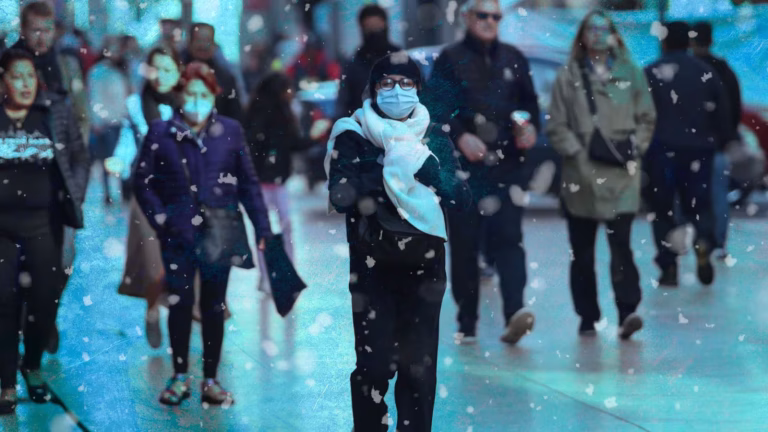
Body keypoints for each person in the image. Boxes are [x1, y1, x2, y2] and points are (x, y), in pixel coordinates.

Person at [326, 52, 471, 432]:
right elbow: (341, 195)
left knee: (418, 369)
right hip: (373, 267)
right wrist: (392, 169)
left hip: (425, 265)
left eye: (406, 83)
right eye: (386, 83)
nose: (396, 91)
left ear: (418, 89)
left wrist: (433, 172)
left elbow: (462, 198)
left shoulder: (432, 135)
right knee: (374, 368)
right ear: (373, 90)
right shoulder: (352, 134)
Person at [133, 61, 272, 406]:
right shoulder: (160, 132)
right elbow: (142, 181)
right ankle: (179, 375)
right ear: (179, 95)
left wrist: (263, 227)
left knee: (213, 305)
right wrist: (162, 219)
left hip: (219, 230)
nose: (196, 100)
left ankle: (211, 379)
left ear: (214, 95)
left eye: (203, 94)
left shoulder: (230, 131)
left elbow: (249, 184)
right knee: (179, 302)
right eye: (190, 93)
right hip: (177, 233)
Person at [426, 0, 540, 345]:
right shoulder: (450, 59)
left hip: (506, 167)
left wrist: (527, 127)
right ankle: (468, 320)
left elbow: (528, 105)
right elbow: (435, 109)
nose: (490, 21)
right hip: (463, 174)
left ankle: (515, 313)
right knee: (464, 247)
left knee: (509, 240)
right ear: (466, 18)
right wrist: (459, 135)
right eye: (483, 15)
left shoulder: (513, 58)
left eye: (496, 16)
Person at [546, 10, 656, 339]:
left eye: (604, 29)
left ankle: (627, 311)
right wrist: (578, 153)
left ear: (614, 35)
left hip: (622, 174)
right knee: (582, 252)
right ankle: (588, 316)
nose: (598, 34)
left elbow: (647, 117)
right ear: (581, 35)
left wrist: (635, 146)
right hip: (580, 176)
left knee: (621, 245)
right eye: (591, 29)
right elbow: (556, 125)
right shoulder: (568, 76)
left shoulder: (631, 73)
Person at [0, 49, 89, 415]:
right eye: (16, 76)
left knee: (43, 301)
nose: (25, 84)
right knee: (3, 302)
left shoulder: (53, 112)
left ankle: (32, 367)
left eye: (30, 76)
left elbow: (80, 157)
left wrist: (74, 196)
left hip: (45, 225)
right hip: (1, 230)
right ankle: (6, 382)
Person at [12, 0, 89, 355]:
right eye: (35, 30)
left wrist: (78, 183)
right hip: (19, 188)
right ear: (23, 30)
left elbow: (79, 122)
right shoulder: (10, 66)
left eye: (47, 29)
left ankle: (44, 319)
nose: (41, 37)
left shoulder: (65, 65)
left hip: (62, 185)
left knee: (62, 264)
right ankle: (29, 326)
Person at [644, 21, 733, 287]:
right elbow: (723, 113)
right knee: (700, 206)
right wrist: (719, 140)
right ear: (689, 42)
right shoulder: (705, 72)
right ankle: (704, 241)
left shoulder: (651, 72)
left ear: (663, 42)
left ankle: (669, 264)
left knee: (663, 211)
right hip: (699, 151)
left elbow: (641, 115)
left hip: (661, 151)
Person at [119, 45, 182, 349]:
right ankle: (153, 311)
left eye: (169, 69)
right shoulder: (135, 105)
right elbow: (126, 142)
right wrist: (118, 162)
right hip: (146, 194)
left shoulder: (190, 102)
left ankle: (179, 321)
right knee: (154, 266)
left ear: (179, 72)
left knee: (183, 265)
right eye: (156, 69)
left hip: (182, 196)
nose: (161, 76)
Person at [245, 72, 327, 294]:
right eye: (287, 90)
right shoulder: (278, 116)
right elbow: (293, 144)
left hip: (266, 181)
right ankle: (282, 274)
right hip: (272, 181)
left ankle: (268, 276)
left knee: (267, 230)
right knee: (282, 227)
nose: (290, 94)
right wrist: (314, 136)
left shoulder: (258, 114)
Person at [691, 21, 742, 259]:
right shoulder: (722, 70)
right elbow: (734, 107)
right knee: (718, 194)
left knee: (687, 195)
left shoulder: (687, 69)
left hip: (687, 145)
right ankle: (718, 242)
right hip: (717, 146)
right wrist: (727, 136)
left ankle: (697, 238)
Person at [87, 36, 132, 205]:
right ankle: (109, 193)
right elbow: (93, 98)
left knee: (122, 159)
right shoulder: (98, 72)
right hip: (106, 124)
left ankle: (123, 192)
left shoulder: (121, 71)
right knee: (108, 160)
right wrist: (97, 121)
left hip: (121, 121)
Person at [336, 4, 401, 118]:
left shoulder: (402, 60)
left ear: (385, 25)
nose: (374, 32)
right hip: (362, 129)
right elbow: (344, 104)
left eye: (377, 26)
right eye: (369, 28)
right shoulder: (353, 65)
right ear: (362, 29)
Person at [185, 23, 243, 122]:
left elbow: (235, 114)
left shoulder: (225, 77)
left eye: (208, 40)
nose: (203, 45)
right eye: (199, 40)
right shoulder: (177, 71)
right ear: (190, 43)